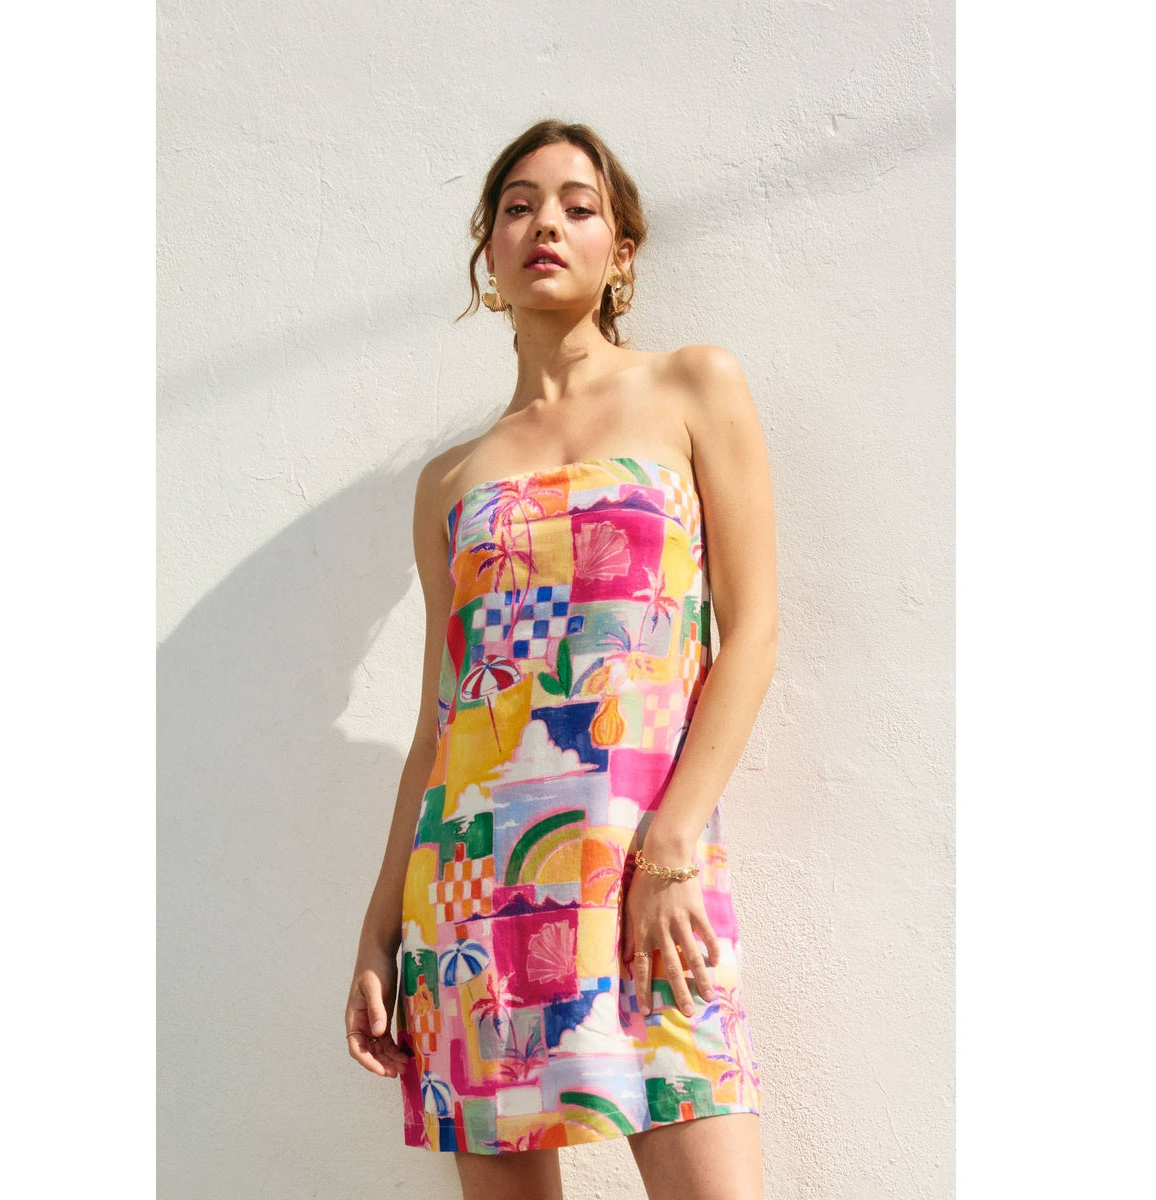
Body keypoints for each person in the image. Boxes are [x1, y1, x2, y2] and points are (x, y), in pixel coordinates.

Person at [345, 119, 778, 1200]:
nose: (546, 223)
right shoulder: (451, 483)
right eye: (518, 206)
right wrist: (381, 925)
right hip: (475, 884)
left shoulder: (691, 386)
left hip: (646, 868)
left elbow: (752, 630)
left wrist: (673, 842)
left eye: (579, 206)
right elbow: (445, 715)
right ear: (488, 252)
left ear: (620, 252)